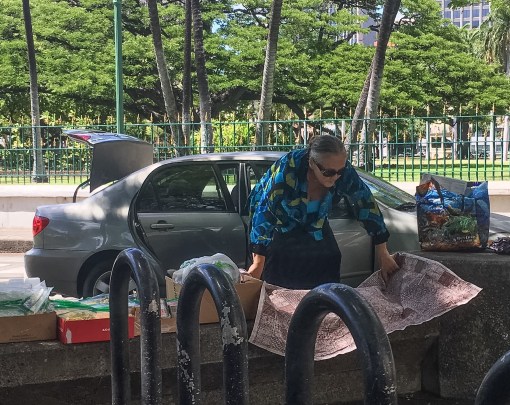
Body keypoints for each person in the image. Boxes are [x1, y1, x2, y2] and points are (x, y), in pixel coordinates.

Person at [247, 134, 399, 289]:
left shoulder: (343, 172)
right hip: (281, 224)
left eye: (340, 171)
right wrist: (258, 263)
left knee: (330, 257)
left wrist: (383, 253)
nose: (335, 177)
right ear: (312, 163)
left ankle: (325, 300)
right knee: (283, 265)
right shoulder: (288, 170)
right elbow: (264, 214)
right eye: (329, 172)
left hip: (315, 223)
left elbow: (366, 204)